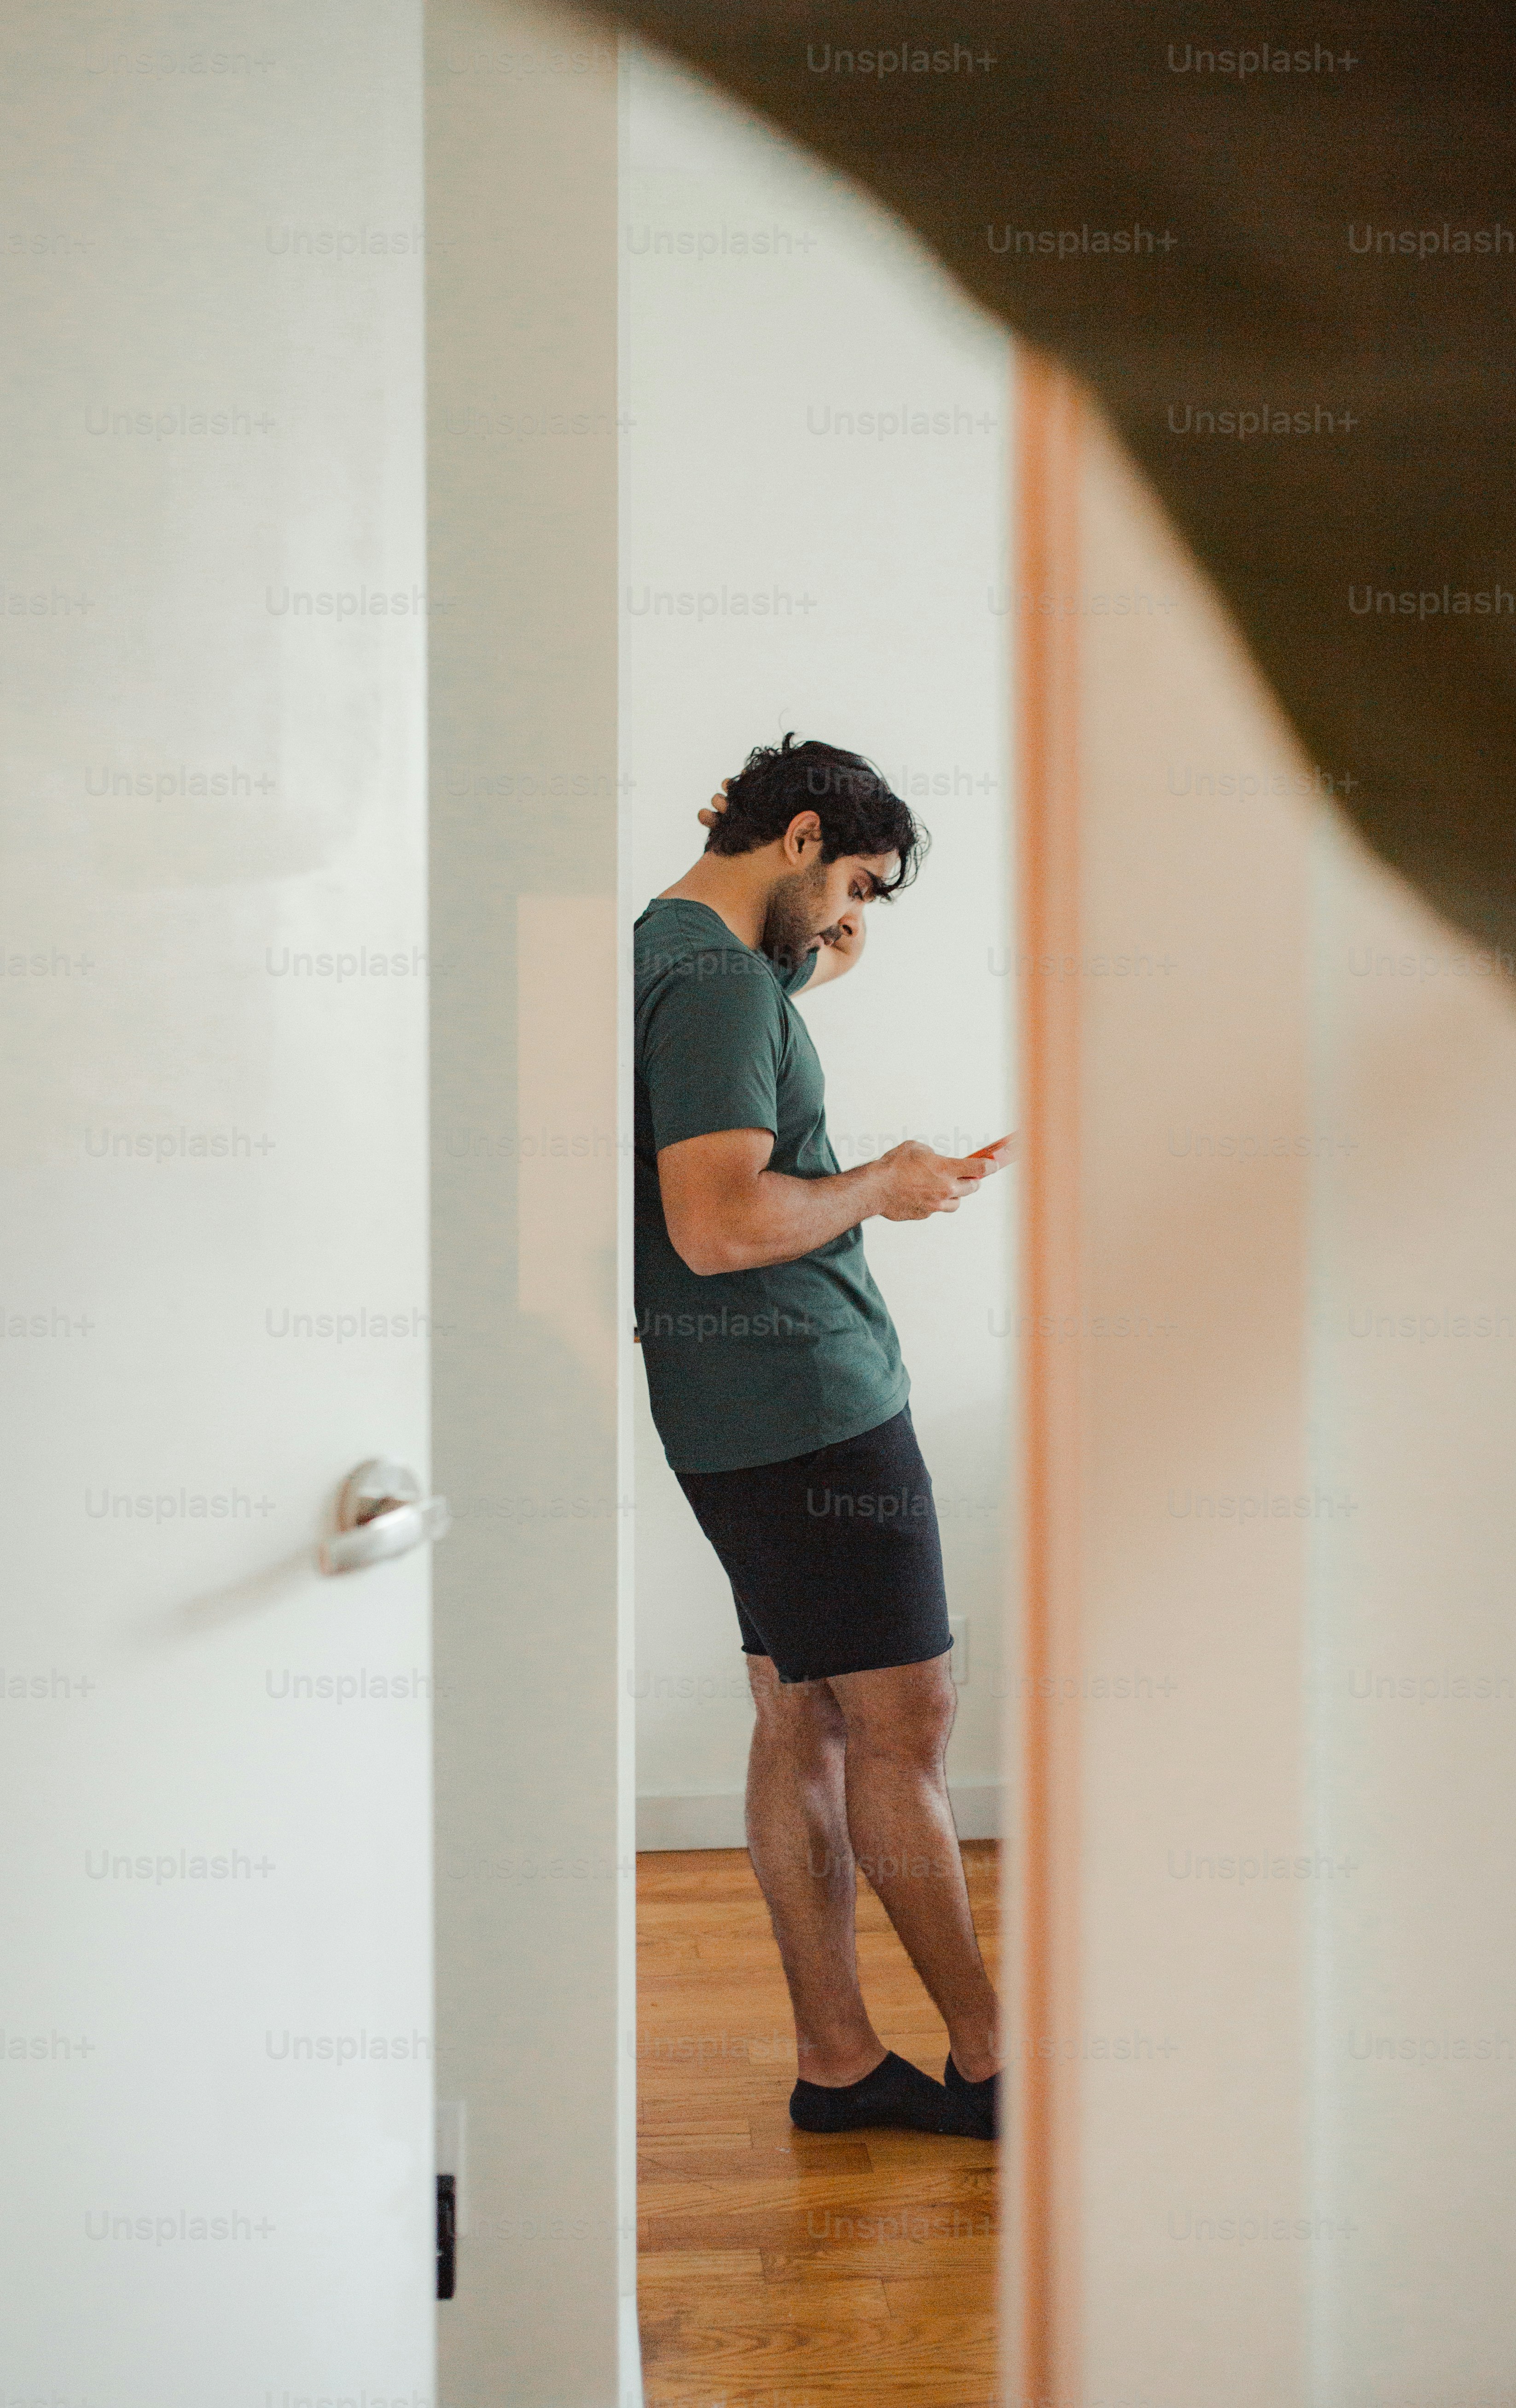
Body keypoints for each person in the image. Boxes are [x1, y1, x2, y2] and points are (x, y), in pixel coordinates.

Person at [634, 733, 1001, 2139]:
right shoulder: (720, 990)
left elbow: (749, 1028)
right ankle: (993, 2065)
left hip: (735, 1414)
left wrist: (817, 959)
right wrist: (883, 1185)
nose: (855, 915)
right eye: (850, 880)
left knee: (799, 1713)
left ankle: (839, 2063)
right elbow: (719, 1222)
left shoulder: (671, 955)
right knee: (904, 1727)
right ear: (797, 838)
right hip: (811, 1409)